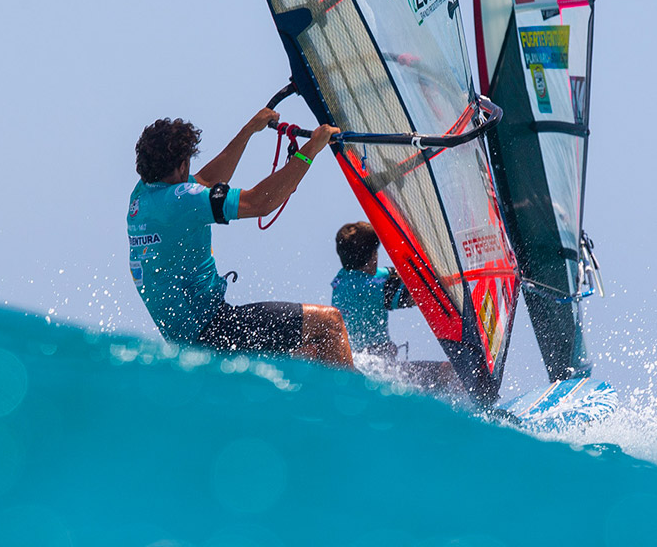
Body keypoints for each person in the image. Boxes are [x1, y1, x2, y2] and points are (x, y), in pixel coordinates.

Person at [127, 109, 354, 367]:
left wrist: (248, 132)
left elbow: (205, 181)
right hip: (214, 330)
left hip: (190, 339)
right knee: (330, 324)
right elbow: (259, 203)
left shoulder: (142, 197)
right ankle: (360, 403)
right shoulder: (181, 200)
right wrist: (311, 149)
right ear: (181, 166)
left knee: (312, 353)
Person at [330, 220, 459, 390]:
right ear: (372, 257)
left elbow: (392, 274)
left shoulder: (346, 278)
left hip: (359, 364)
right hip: (374, 369)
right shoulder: (369, 288)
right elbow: (418, 295)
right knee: (448, 372)